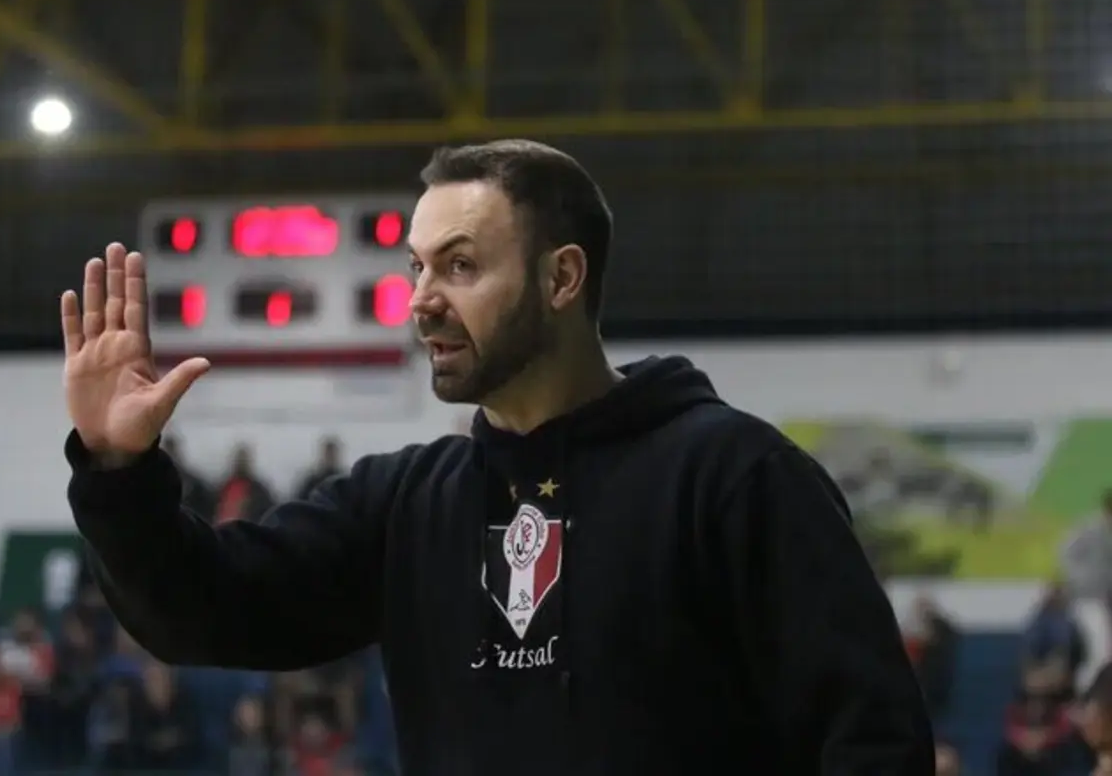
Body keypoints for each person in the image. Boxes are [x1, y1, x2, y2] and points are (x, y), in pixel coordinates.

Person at [60, 139, 934, 775]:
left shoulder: (734, 477)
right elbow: (200, 608)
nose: (421, 301)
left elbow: (873, 740)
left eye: (460, 266)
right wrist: (117, 467)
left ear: (562, 278)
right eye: (416, 267)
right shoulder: (406, 504)